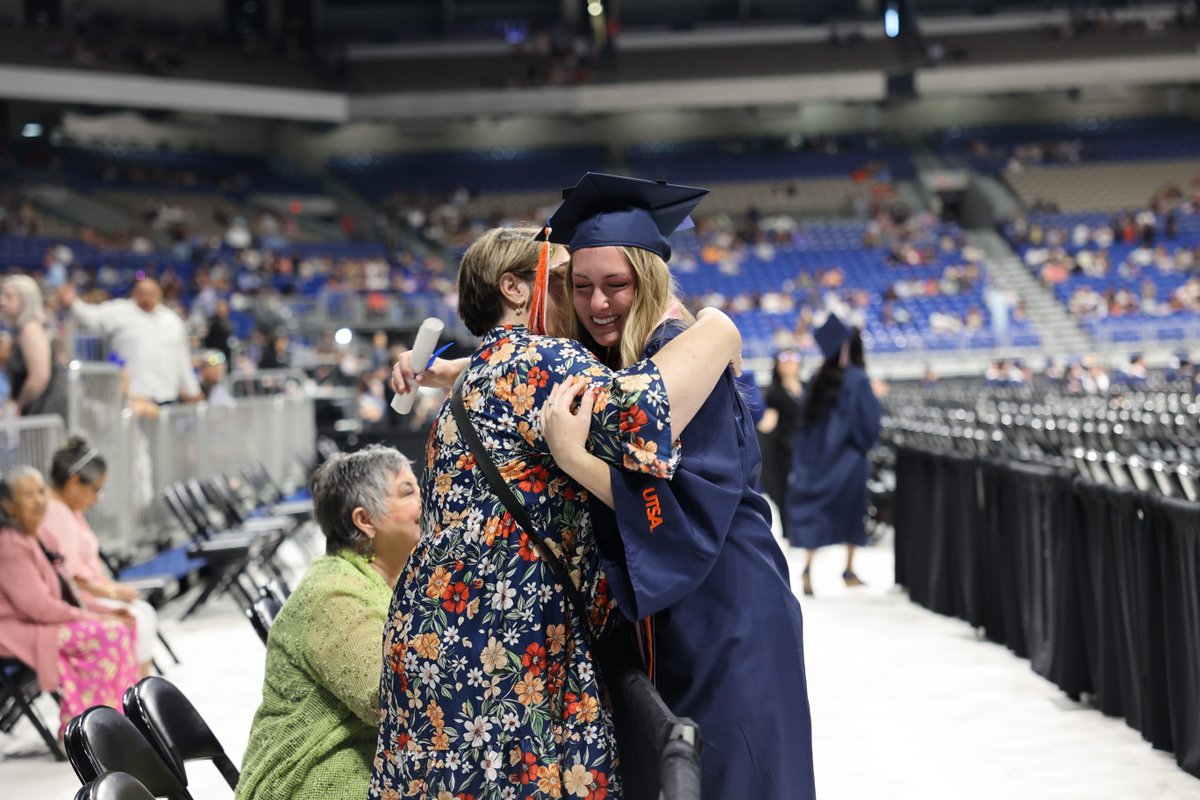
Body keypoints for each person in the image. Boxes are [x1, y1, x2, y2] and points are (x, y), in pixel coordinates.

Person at [372, 226, 744, 799]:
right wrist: (717, 327)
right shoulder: (544, 357)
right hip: (502, 646)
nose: (579, 298)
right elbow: (641, 414)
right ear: (516, 289)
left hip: (432, 635)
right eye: (568, 279)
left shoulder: (469, 383)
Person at [539, 173, 814, 800]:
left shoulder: (685, 360)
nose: (598, 303)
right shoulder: (628, 363)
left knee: (738, 774)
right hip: (685, 603)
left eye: (616, 285)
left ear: (649, 280)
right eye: (582, 287)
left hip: (732, 603)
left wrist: (574, 459)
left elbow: (683, 500)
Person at [237, 445, 421, 800]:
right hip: (308, 778)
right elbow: (393, 699)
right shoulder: (333, 594)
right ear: (365, 520)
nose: (423, 501)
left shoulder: (391, 577)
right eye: (407, 492)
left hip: (371, 758)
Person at [0, 466, 139, 735]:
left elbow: (67, 591)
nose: (39, 500)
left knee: (124, 622)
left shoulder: (38, 534)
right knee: (107, 633)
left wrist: (100, 609)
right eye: (28, 495)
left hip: (42, 622)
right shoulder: (9, 543)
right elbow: (37, 607)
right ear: (7, 504)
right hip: (16, 630)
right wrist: (96, 618)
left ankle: (117, 720)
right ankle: (80, 731)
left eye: (41, 491)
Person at [41, 438, 159, 678]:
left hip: (91, 592)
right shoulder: (56, 513)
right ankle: (136, 695)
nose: (97, 498)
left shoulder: (68, 510)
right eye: (96, 489)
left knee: (144, 614)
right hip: (79, 601)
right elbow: (70, 575)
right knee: (139, 618)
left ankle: (140, 691)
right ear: (74, 482)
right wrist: (112, 593)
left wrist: (112, 589)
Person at [786, 315, 882, 596]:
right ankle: (849, 568)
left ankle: (808, 567)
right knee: (851, 512)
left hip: (818, 460)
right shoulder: (858, 379)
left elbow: (805, 425)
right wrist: (865, 445)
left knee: (819, 512)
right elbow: (868, 423)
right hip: (848, 460)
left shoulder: (818, 377)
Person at [60, 277, 202, 405]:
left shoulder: (172, 321)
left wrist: (193, 391)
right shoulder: (120, 311)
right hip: (132, 397)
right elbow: (92, 318)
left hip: (166, 395)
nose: (147, 298)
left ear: (159, 295)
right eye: (142, 292)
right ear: (134, 293)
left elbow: (182, 358)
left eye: (151, 293)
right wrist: (73, 303)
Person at [1, 275, 69, 420]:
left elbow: (40, 377)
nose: (2, 302)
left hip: (45, 411)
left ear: (26, 300)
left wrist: (17, 406)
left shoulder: (30, 328)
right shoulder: (22, 329)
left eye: (9, 297)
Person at [757, 348, 804, 535]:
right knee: (786, 491)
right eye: (784, 358)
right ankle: (791, 532)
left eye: (794, 357)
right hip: (785, 451)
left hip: (808, 449)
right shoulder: (775, 393)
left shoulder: (808, 388)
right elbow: (767, 424)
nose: (790, 362)